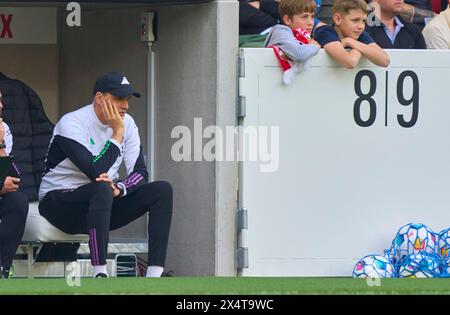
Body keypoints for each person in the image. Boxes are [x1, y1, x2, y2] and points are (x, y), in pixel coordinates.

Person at [38, 72, 173, 278]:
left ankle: (155, 275)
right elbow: (95, 170)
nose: (125, 105)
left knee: (162, 190)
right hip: (60, 205)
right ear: (100, 98)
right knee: (101, 187)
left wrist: (119, 189)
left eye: (127, 99)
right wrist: (117, 133)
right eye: (119, 99)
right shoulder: (72, 122)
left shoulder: (128, 122)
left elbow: (140, 172)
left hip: (101, 205)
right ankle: (99, 272)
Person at [0, 90, 29, 279]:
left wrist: (0, 144)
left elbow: (13, 177)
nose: (2, 106)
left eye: (1, 100)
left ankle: (2, 267)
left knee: (18, 201)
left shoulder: (4, 129)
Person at [314, 0, 390, 68]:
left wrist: (350, 41)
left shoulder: (359, 34)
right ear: (337, 19)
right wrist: (360, 47)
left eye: (363, 21)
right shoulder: (325, 32)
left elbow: (385, 61)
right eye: (355, 20)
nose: (361, 26)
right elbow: (350, 62)